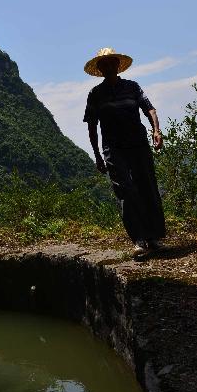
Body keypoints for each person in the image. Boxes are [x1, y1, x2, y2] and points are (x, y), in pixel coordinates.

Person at [83, 46, 166, 258]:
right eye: (104, 64)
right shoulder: (95, 94)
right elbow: (92, 126)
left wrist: (156, 131)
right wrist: (97, 156)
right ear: (100, 69)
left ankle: (153, 238)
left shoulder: (132, 87)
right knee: (125, 191)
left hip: (138, 144)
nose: (109, 67)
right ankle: (138, 239)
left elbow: (150, 109)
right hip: (113, 149)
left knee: (146, 186)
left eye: (112, 63)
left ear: (118, 66)